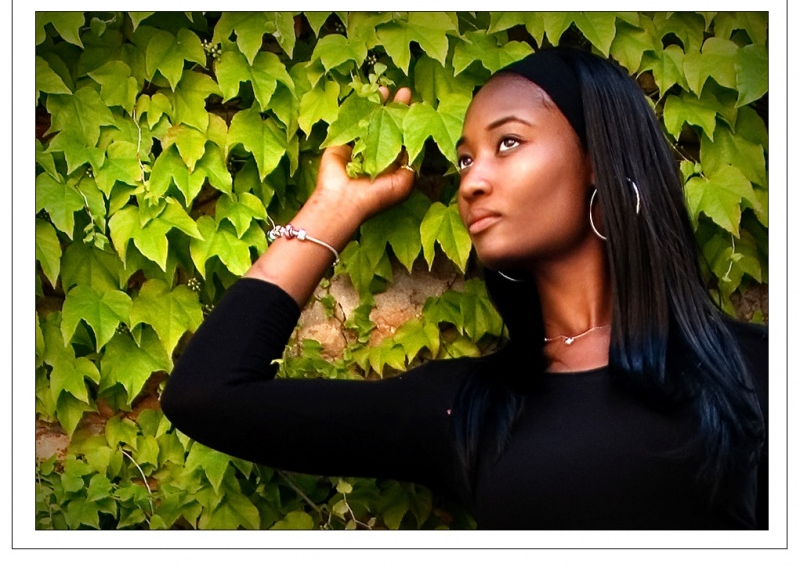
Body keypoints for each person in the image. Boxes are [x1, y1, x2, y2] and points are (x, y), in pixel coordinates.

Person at [160, 46, 768, 530]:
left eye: (508, 143)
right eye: (466, 160)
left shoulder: (757, 370)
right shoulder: (469, 411)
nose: (472, 183)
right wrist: (333, 206)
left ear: (597, 160)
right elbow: (207, 395)